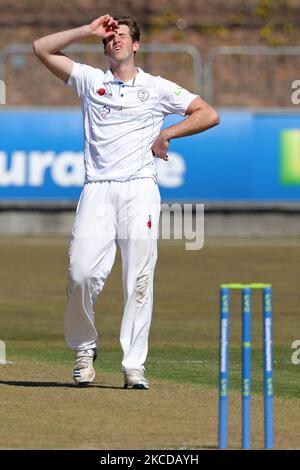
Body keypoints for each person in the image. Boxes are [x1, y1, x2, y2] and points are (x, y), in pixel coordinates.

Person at [33, 14, 220, 389]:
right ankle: (85, 348)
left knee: (139, 277)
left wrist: (168, 133)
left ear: (136, 45)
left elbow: (209, 114)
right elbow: (41, 48)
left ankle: (134, 364)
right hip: (97, 188)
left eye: (122, 36)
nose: (114, 40)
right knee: (81, 273)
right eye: (109, 37)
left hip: (139, 189)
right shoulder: (89, 80)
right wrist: (88, 30)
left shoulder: (157, 88)